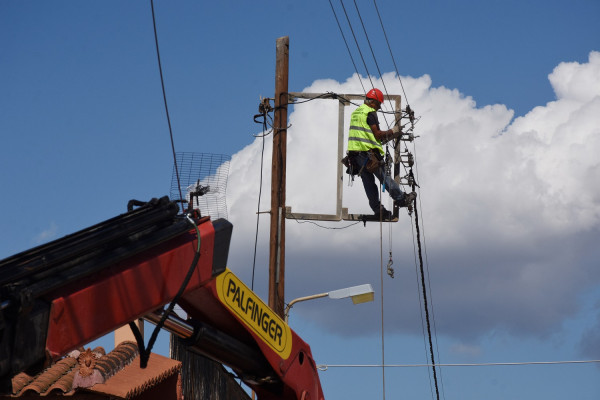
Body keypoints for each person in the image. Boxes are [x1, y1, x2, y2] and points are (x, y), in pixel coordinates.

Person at [346, 88, 416, 219]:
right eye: (378, 104)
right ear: (373, 102)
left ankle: (378, 211)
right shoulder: (370, 113)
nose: (378, 108)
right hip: (367, 154)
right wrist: (392, 131)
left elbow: (364, 133)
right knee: (384, 177)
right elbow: (377, 135)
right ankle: (401, 199)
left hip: (355, 156)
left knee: (369, 184)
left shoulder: (357, 112)